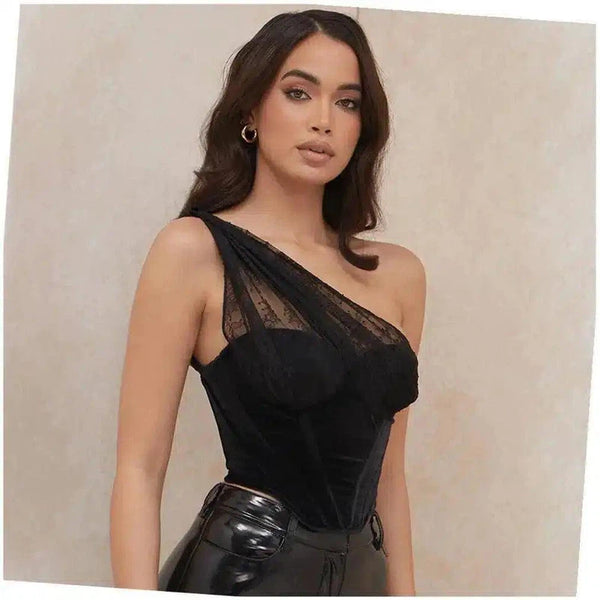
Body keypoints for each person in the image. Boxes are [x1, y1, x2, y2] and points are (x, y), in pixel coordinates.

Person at [110, 8, 426, 596]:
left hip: (362, 578)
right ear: (251, 110)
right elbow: (139, 468)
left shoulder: (399, 275)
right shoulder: (194, 250)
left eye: (347, 102)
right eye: (298, 93)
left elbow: (390, 478)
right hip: (240, 575)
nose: (324, 120)